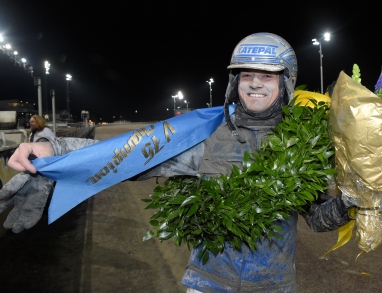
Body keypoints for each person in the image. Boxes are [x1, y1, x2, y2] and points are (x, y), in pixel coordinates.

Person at [1, 32, 355, 292]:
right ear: (235, 82)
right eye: (247, 75)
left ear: (286, 82)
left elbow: (318, 219)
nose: (255, 85)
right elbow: (131, 157)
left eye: (266, 76)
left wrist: (353, 201)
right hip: (208, 284)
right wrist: (54, 149)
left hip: (274, 286)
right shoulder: (205, 135)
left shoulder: (303, 145)